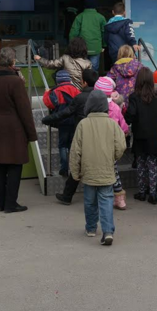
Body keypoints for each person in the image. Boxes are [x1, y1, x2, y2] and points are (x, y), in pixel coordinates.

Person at [69, 90, 127, 246]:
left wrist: (75, 171)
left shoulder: (83, 124)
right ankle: (108, 231)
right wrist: (113, 157)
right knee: (106, 200)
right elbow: (121, 145)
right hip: (107, 169)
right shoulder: (112, 124)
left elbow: (75, 150)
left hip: (88, 171)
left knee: (89, 201)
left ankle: (91, 228)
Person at [0, 47, 37, 213]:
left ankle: (1, 203)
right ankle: (11, 203)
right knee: (14, 166)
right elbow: (24, 110)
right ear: (12, 62)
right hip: (14, 128)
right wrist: (31, 133)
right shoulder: (15, 82)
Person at [44, 68, 99, 205]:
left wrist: (48, 119)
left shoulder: (80, 97)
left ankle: (67, 195)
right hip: (97, 134)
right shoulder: (100, 96)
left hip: (81, 134)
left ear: (84, 82)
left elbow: (66, 113)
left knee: (76, 166)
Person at [124, 67, 157, 204]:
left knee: (141, 163)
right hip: (155, 135)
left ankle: (142, 192)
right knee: (153, 164)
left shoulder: (134, 97)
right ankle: (153, 193)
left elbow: (130, 115)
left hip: (140, 135)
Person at [94, 76, 129, 210]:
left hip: (97, 144)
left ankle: (100, 200)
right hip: (112, 145)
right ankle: (120, 199)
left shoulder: (93, 107)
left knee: (98, 173)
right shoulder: (115, 107)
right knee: (113, 171)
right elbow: (124, 127)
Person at [41, 70, 80, 178]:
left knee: (63, 145)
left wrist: (46, 93)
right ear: (69, 79)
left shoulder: (56, 91)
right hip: (74, 121)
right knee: (73, 145)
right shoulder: (75, 89)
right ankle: (74, 168)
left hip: (62, 121)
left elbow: (49, 104)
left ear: (58, 81)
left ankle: (64, 168)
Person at [69, 0, 106, 71]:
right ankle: (92, 82)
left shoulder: (79, 17)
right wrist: (104, 45)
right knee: (93, 69)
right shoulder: (100, 17)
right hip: (96, 47)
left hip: (81, 47)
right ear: (96, 5)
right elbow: (104, 33)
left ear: (84, 5)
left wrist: (72, 46)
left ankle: (83, 82)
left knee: (82, 68)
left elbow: (73, 33)